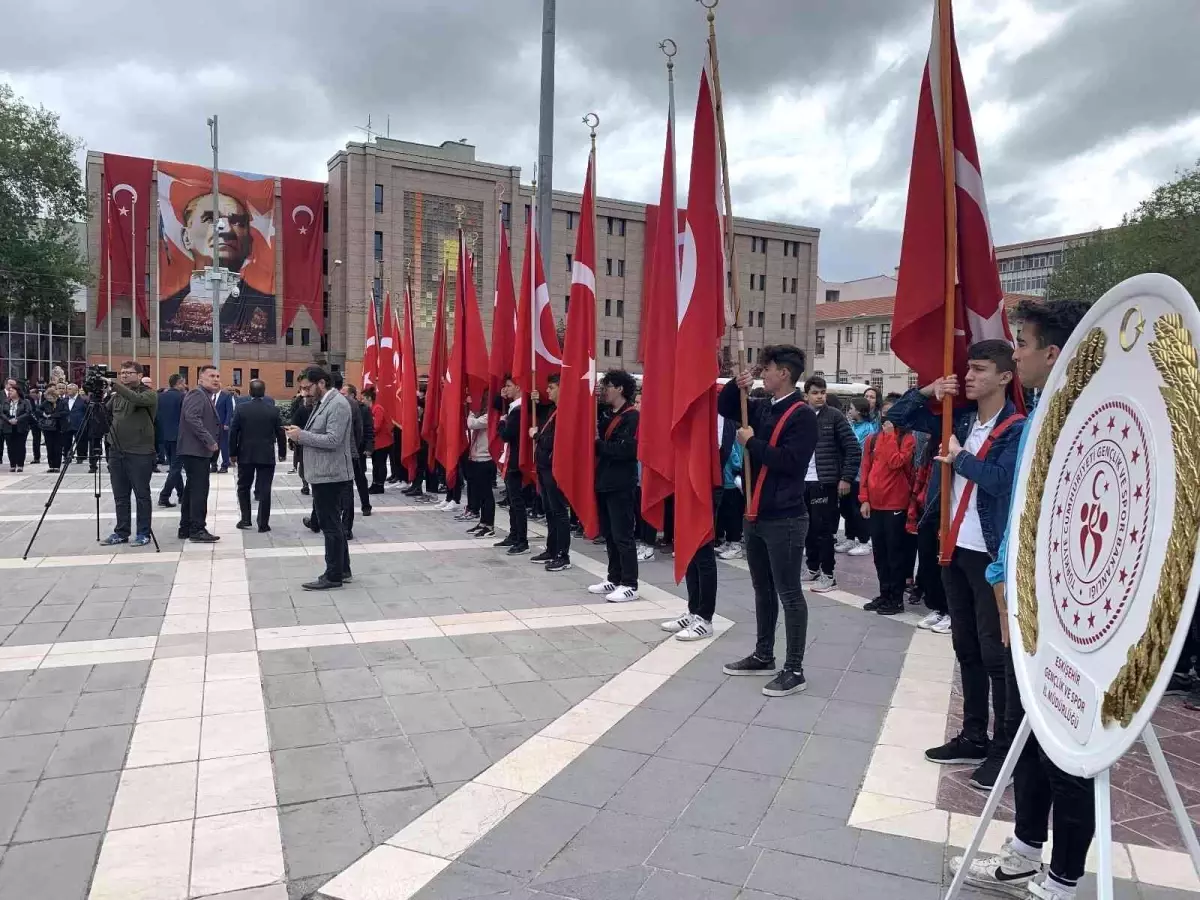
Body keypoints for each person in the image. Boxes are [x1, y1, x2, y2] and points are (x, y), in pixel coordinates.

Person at [951, 299, 1093, 900]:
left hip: (1071, 611)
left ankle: (1062, 881)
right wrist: (1005, 573)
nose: (1018, 354)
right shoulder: (1042, 414)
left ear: (1052, 354)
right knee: (1033, 736)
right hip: (1024, 594)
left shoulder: (1087, 421)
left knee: (1071, 751)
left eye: (1025, 345)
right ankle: (1024, 854)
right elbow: (1023, 514)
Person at [889, 339, 1025, 791]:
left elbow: (1004, 481)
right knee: (965, 647)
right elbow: (899, 417)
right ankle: (973, 734)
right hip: (953, 546)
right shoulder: (960, 418)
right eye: (968, 368)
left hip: (989, 554)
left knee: (996, 653)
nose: (969, 376)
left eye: (980, 369)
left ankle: (1006, 747)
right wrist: (929, 391)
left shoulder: (1015, 428)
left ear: (1005, 376)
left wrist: (960, 457)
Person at [719, 345, 818, 697]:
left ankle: (795, 668)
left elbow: (791, 461)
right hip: (755, 513)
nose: (763, 373)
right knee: (762, 589)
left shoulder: (801, 415)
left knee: (789, 593)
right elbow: (727, 407)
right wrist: (736, 384)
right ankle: (764, 654)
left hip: (785, 516)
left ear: (785, 374)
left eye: (768, 368)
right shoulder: (762, 406)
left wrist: (753, 444)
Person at [160, 192, 276, 343]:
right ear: (186, 237)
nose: (227, 229)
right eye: (211, 219)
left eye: (238, 223)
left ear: (249, 242)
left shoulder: (269, 308)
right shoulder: (165, 310)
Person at [286, 366, 355, 591]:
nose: (304, 392)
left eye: (308, 387)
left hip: (331, 474)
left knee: (330, 525)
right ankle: (343, 569)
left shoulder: (337, 404)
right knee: (334, 522)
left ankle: (333, 575)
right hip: (325, 473)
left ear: (321, 383)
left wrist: (301, 436)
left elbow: (333, 440)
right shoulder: (325, 402)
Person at [801, 375, 861, 591]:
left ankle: (828, 574)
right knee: (807, 528)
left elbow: (853, 448)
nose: (819, 397)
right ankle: (812, 568)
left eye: (822, 392)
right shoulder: (801, 415)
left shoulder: (834, 416)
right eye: (815, 393)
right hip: (803, 482)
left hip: (825, 482)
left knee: (824, 529)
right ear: (806, 395)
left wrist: (845, 478)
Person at [858, 396, 916, 616]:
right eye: (885, 412)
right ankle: (885, 593)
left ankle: (896, 598)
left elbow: (896, 462)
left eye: (892, 412)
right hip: (875, 504)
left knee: (895, 553)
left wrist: (891, 436)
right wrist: (864, 498)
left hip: (896, 503)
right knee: (879, 553)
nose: (887, 417)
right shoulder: (872, 440)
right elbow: (865, 469)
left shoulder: (906, 439)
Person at [589, 369, 641, 603]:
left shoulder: (632, 417)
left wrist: (599, 445)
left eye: (607, 386)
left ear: (620, 388)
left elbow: (627, 451)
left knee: (623, 535)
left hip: (621, 483)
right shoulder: (605, 413)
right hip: (603, 482)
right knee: (609, 534)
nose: (604, 390)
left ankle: (630, 583)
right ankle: (614, 576)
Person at [102, 362, 159, 547]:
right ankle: (121, 531)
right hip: (117, 450)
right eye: (122, 372)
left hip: (140, 452)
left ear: (140, 374)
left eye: (129, 372)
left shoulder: (149, 393)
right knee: (120, 495)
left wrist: (115, 385)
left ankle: (143, 533)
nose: (124, 375)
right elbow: (104, 411)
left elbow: (136, 399)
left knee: (141, 494)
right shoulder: (117, 395)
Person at [229, 379, 286, 532]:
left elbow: (233, 432)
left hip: (245, 454)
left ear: (249, 391)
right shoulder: (273, 410)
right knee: (265, 488)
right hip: (266, 455)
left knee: (243, 487)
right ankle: (263, 523)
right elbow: (280, 433)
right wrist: (282, 452)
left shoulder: (241, 409)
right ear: (264, 391)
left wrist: (232, 453)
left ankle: (246, 519)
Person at [178, 365, 222, 543]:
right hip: (195, 450)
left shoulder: (206, 396)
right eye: (211, 376)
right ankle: (197, 529)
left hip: (195, 451)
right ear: (200, 380)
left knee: (191, 489)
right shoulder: (197, 394)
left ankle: (186, 527)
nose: (216, 379)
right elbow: (192, 417)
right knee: (199, 491)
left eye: (218, 376)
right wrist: (209, 440)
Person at [531, 375, 570, 571]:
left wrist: (536, 436)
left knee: (559, 511)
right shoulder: (553, 410)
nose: (548, 391)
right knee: (549, 511)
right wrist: (535, 401)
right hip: (544, 467)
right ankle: (552, 548)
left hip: (555, 468)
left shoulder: (566, 412)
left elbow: (556, 441)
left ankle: (563, 554)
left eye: (552, 387)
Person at [837, 397, 878, 557]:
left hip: (860, 476)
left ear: (860, 411)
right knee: (847, 509)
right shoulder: (853, 425)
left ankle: (863, 541)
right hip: (849, 474)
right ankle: (849, 538)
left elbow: (854, 444)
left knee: (858, 509)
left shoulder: (868, 429)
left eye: (852, 408)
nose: (849, 411)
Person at [494, 376, 530, 555]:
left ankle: (521, 539)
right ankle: (514, 534)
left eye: (508, 386)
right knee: (512, 500)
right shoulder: (514, 407)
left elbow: (507, 434)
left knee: (517, 502)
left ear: (518, 387)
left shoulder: (519, 410)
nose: (505, 389)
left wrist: (501, 422)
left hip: (515, 461)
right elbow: (494, 401)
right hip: (512, 459)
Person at [465, 399, 497, 539]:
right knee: (479, 493)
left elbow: (472, 424)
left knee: (486, 495)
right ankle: (483, 522)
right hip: (476, 458)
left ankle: (489, 525)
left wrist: (471, 411)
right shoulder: (482, 414)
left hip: (486, 459)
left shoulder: (490, 415)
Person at [341, 383, 374, 519]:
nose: (341, 396)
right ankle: (343, 507)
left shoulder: (363, 409)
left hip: (358, 450)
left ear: (352, 395)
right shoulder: (340, 407)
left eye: (344, 394)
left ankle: (366, 505)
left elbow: (368, 429)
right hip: (343, 449)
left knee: (360, 479)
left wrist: (368, 447)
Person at [715, 414, 746, 559]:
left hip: (732, 479)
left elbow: (734, 457)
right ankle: (728, 541)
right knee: (726, 512)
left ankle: (735, 543)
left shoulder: (733, 432)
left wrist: (735, 469)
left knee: (733, 513)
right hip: (726, 479)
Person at [157, 374, 187, 508]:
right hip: (178, 437)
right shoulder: (182, 397)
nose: (185, 386)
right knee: (176, 468)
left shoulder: (160, 397)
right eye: (183, 383)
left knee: (174, 467)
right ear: (179, 383)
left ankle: (182, 495)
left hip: (164, 436)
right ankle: (164, 496)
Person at [365, 387, 391, 494]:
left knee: (380, 464)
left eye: (364, 399)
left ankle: (380, 485)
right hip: (376, 442)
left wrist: (366, 432)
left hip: (382, 442)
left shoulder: (378, 409)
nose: (363, 401)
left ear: (369, 398)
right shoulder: (371, 409)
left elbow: (377, 426)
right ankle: (375, 483)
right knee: (375, 464)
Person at [38, 385, 68, 473]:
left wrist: (53, 415)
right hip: (48, 428)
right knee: (49, 447)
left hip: (59, 428)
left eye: (50, 397)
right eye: (48, 397)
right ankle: (51, 465)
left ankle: (57, 466)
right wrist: (43, 413)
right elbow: (37, 410)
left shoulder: (62, 402)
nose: (49, 399)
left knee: (57, 448)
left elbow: (65, 412)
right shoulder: (46, 403)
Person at [2, 385, 32, 472]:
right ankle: (12, 464)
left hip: (21, 426)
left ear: (17, 392)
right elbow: (2, 413)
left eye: (12, 391)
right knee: (10, 447)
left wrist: (17, 419)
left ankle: (20, 465)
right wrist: (8, 420)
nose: (10, 392)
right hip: (8, 426)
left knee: (20, 446)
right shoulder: (6, 402)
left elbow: (28, 413)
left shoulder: (25, 402)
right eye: (9, 391)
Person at [290, 389, 313, 495]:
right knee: (303, 464)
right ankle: (305, 484)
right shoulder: (301, 410)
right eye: (307, 397)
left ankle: (309, 484)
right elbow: (294, 423)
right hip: (302, 442)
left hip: (314, 441)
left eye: (310, 397)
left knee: (310, 464)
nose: (308, 399)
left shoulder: (318, 410)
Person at [62, 383, 86, 466]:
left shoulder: (82, 400)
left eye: (70, 389)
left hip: (78, 423)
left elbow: (85, 411)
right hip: (67, 424)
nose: (67, 391)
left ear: (76, 390)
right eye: (67, 389)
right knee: (66, 442)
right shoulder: (64, 400)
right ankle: (67, 457)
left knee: (80, 441)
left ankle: (80, 457)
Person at [213, 387, 234, 472]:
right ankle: (213, 465)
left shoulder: (226, 396)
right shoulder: (209, 395)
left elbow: (229, 411)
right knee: (213, 446)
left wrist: (226, 423)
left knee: (224, 446)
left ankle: (225, 465)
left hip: (222, 425)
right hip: (211, 426)